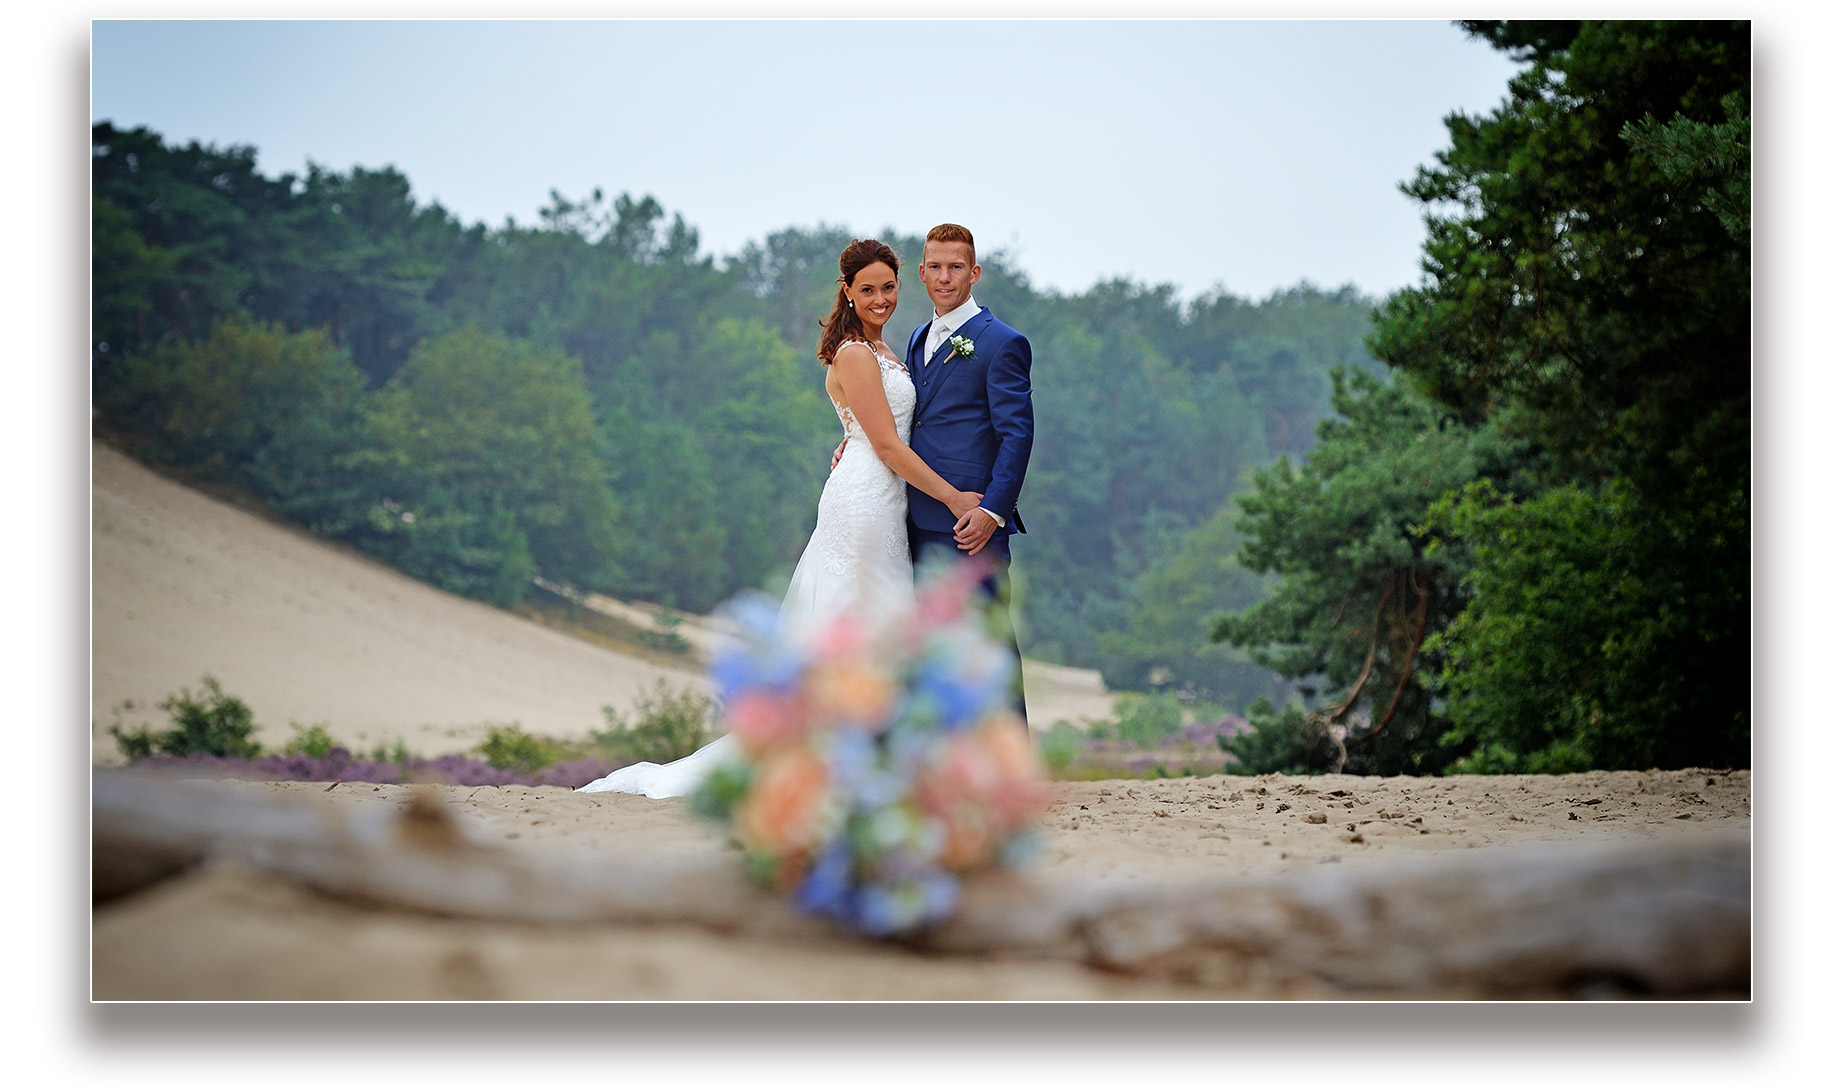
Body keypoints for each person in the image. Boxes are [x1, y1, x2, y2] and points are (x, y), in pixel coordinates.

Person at [578, 238, 987, 798]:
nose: (881, 298)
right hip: (865, 499)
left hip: (884, 497)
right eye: (867, 289)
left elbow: (880, 429)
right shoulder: (853, 353)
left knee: (881, 623)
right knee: (854, 620)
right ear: (847, 291)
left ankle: (867, 756)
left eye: (888, 287)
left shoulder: (891, 349)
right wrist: (955, 498)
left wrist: (851, 440)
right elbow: (889, 447)